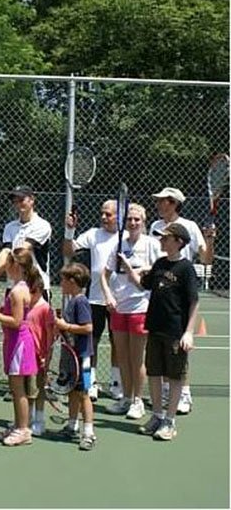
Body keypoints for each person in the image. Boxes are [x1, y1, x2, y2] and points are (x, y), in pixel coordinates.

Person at [127, 223, 199, 441]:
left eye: (166, 238)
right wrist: (130, 270)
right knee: (154, 373)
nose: (161, 240)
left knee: (175, 377)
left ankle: (169, 421)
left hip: (175, 331)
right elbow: (144, 285)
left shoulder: (186, 268)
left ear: (178, 242)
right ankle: (157, 416)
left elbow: (194, 302)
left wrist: (189, 332)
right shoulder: (159, 263)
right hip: (155, 328)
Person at [149, 187, 214, 414]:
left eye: (162, 200)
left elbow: (206, 258)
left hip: (181, 295)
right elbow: (154, 255)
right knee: (160, 346)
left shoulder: (190, 227)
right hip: (160, 292)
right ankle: (167, 393)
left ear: (173, 203)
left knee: (180, 346)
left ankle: (183, 393)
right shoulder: (155, 227)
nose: (157, 203)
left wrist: (209, 239)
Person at [101, 204, 162, 420]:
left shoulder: (151, 244)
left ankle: (138, 400)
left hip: (141, 307)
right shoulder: (119, 245)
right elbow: (104, 275)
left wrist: (136, 269)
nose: (133, 223)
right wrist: (108, 295)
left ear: (144, 221)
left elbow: (159, 269)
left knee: (137, 359)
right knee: (123, 357)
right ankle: (126, 398)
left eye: (137, 219)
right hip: (119, 307)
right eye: (129, 219)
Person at [63, 200, 122, 401]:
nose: (104, 217)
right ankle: (91, 383)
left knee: (118, 343)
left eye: (109, 214)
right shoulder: (93, 234)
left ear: (118, 215)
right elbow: (69, 252)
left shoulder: (126, 237)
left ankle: (116, 384)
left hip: (118, 300)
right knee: (91, 343)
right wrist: (70, 231)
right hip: (95, 298)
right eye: (102, 213)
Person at [0, 247, 40, 447]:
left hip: (19, 343)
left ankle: (24, 430)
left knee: (18, 390)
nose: (5, 268)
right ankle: (18, 425)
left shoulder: (17, 291)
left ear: (17, 266)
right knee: (16, 389)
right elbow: (17, 313)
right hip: (15, 342)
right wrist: (0, 309)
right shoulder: (21, 287)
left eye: (9, 264)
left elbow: (16, 321)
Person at [53, 263, 96, 451]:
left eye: (63, 280)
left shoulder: (81, 301)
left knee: (83, 394)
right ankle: (72, 425)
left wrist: (65, 326)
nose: (61, 283)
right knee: (72, 391)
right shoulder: (71, 301)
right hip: (70, 357)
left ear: (72, 281)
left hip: (82, 357)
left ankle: (88, 432)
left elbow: (88, 328)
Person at [0, 185, 51, 299]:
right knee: (11, 317)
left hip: (36, 286)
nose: (18, 204)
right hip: (13, 285)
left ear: (32, 200)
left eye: (21, 200)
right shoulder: (9, 227)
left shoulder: (42, 225)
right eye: (15, 201)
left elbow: (22, 251)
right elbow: (6, 250)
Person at [25, 274, 55, 436]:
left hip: (39, 355)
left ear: (40, 290)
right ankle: (26, 418)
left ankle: (39, 420)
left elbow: (50, 335)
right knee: (28, 390)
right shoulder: (27, 305)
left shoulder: (45, 309)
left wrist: (47, 356)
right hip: (26, 354)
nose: (30, 294)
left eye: (33, 291)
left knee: (39, 390)